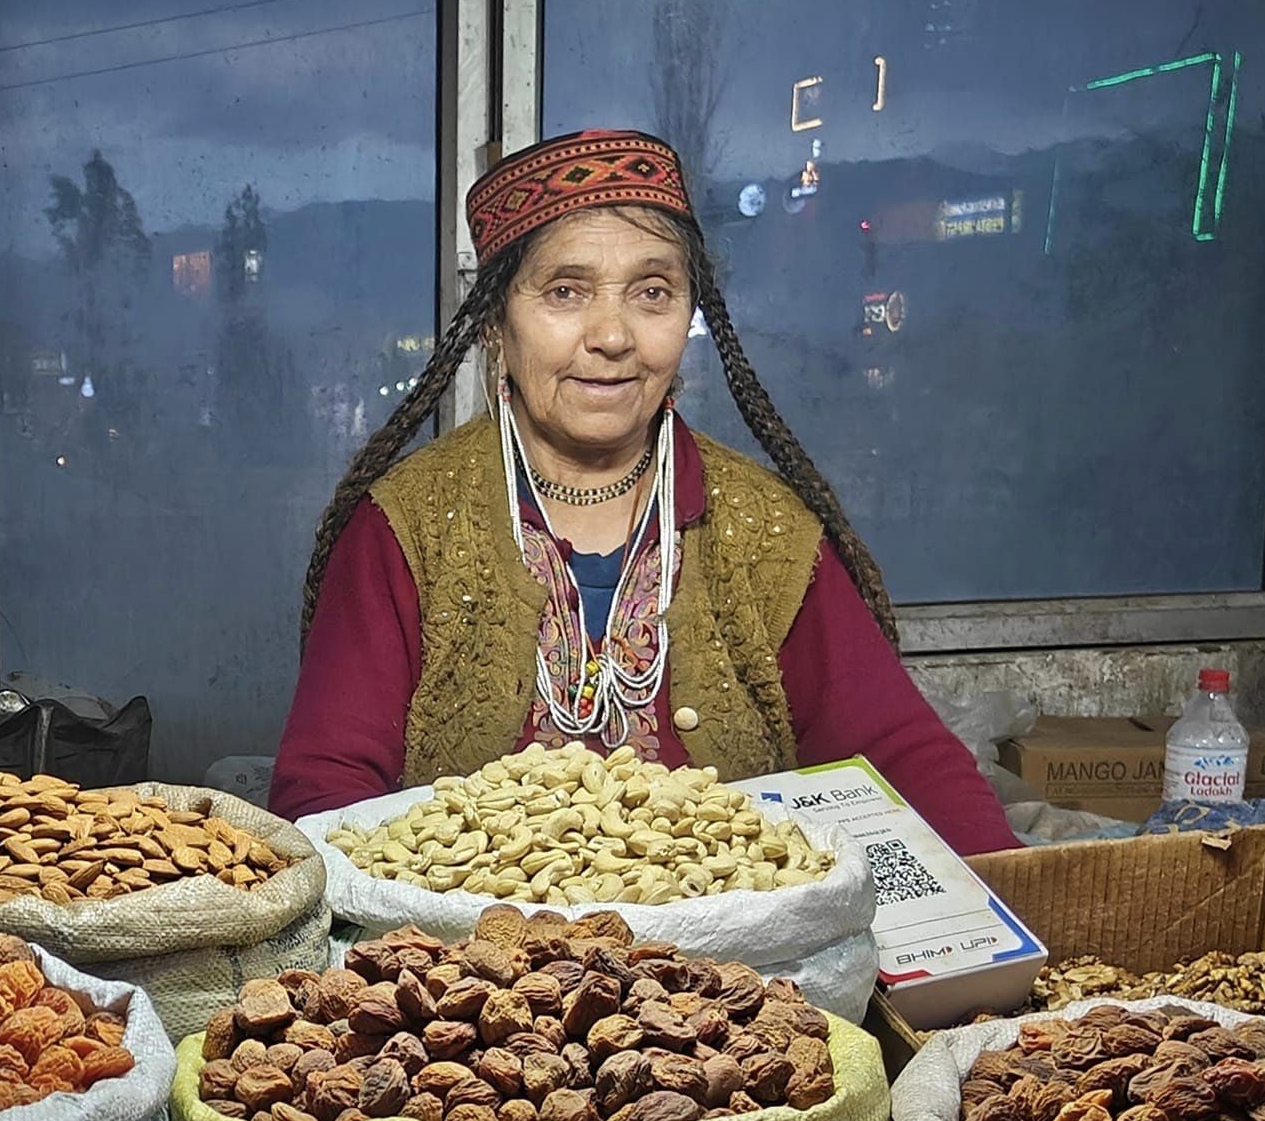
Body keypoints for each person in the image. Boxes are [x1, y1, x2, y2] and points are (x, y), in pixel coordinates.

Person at [271, 130, 1016, 855]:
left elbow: (903, 761)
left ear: (689, 312)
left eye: (652, 293)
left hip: (724, 940)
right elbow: (325, 794)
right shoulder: (406, 527)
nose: (613, 336)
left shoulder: (768, 533)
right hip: (467, 938)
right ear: (497, 321)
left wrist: (1017, 896)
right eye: (566, 292)